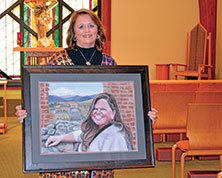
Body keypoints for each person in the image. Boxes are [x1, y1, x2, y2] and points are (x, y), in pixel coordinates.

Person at [16, 8, 157, 178]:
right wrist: (27, 112)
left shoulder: (109, 63)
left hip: (99, 168)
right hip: (63, 169)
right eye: (81, 27)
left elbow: (120, 108)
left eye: (91, 25)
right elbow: (40, 95)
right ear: (73, 32)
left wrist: (144, 117)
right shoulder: (58, 60)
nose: (87, 30)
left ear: (98, 30)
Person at [45, 92, 132, 152]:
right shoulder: (101, 129)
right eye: (95, 109)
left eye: (103, 109)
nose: (98, 112)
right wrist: (59, 138)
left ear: (113, 113)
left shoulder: (116, 138)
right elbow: (80, 135)